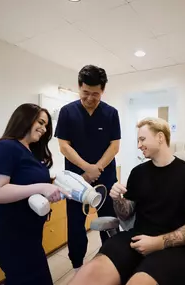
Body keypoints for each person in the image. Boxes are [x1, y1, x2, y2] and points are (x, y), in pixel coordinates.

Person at [69, 117, 185, 285]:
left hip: (175, 249)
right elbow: (126, 212)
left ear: (160, 137)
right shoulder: (138, 172)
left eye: (142, 139)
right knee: (90, 274)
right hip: (137, 238)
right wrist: (117, 199)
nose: (138, 145)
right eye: (138, 140)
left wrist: (158, 242)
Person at [0, 103, 67, 285]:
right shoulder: (5, 147)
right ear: (24, 119)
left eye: (46, 126)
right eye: (40, 122)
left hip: (30, 234)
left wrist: (51, 190)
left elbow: (27, 184)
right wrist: (41, 188)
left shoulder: (30, 152)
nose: (43, 129)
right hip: (12, 235)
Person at [54, 64, 121, 270]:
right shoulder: (67, 112)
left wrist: (97, 169)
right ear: (78, 87)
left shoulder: (111, 113)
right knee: (75, 223)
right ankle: (77, 265)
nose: (90, 98)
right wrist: (86, 169)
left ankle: (111, 262)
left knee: (109, 221)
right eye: (85, 93)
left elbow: (114, 146)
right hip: (75, 178)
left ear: (103, 91)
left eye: (96, 94)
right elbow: (64, 146)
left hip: (105, 175)